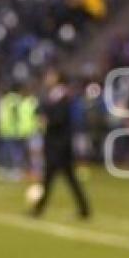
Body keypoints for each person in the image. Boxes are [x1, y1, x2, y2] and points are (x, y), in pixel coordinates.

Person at [31, 68, 91, 219]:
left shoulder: (63, 96)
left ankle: (39, 209)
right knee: (61, 178)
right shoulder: (51, 95)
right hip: (54, 143)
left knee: (53, 178)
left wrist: (47, 120)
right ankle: (83, 209)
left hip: (60, 144)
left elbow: (59, 118)